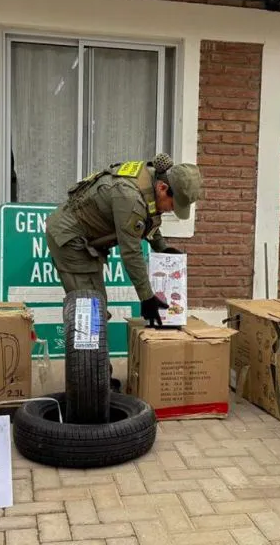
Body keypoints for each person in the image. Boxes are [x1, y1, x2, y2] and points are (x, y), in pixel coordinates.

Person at [45, 154, 203, 390]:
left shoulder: (151, 181)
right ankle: (93, 383)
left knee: (95, 308)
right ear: (163, 187)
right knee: (91, 310)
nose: (171, 209)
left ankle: (95, 375)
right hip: (71, 241)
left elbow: (148, 218)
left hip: (88, 238)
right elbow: (131, 252)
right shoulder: (129, 196)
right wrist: (147, 298)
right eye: (173, 204)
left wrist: (161, 247)